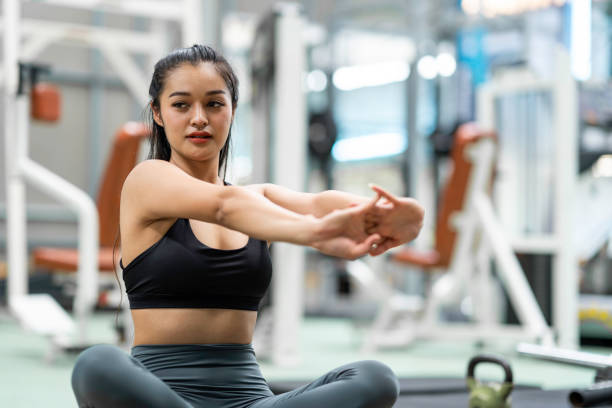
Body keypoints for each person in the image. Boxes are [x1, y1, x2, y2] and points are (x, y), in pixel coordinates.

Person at [71, 44, 424, 408]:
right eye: (181, 105)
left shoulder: (257, 200)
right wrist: (316, 233)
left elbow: (320, 204)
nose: (199, 118)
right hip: (163, 398)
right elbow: (224, 206)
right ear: (158, 114)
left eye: (214, 104)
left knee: (375, 377)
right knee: (97, 363)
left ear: (232, 111)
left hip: (250, 402)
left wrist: (399, 217)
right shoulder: (148, 181)